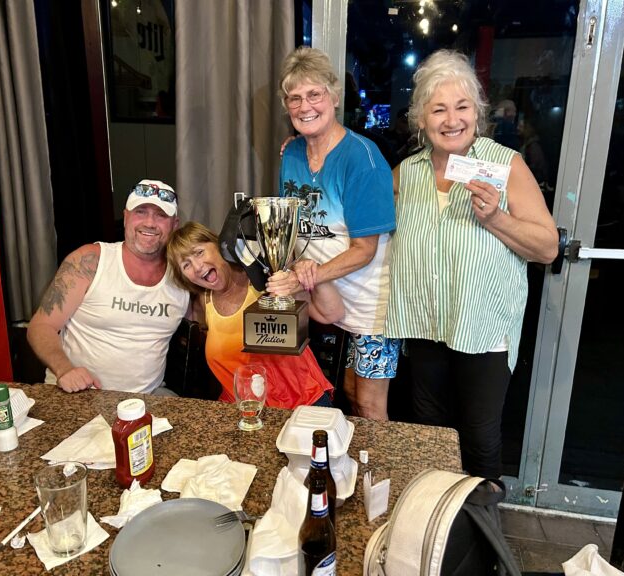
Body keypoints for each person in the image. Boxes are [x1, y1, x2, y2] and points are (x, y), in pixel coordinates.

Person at [385, 50, 558, 478]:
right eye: (438, 109)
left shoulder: (505, 165)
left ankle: (481, 520)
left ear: (476, 114)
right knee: (431, 438)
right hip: (425, 326)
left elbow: (547, 248)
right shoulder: (406, 172)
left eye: (461, 107)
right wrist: (310, 148)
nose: (452, 120)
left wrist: (496, 218)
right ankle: (436, 516)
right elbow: (363, 217)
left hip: (482, 329)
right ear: (421, 119)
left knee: (480, 442)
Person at [274, 46, 398, 421]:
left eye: (314, 94)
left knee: (369, 405)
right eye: (295, 98)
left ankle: (376, 461)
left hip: (371, 307)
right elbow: (291, 226)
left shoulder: (363, 158)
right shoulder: (291, 154)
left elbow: (364, 250)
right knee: (345, 393)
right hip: (326, 301)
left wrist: (307, 275)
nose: (305, 106)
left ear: (335, 97)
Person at [27, 180, 190, 395]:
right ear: (126, 217)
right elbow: (40, 326)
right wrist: (65, 370)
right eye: (140, 212)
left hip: (146, 399)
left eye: (161, 215)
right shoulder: (89, 260)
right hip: (76, 394)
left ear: (174, 224)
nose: (150, 223)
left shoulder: (185, 274)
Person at [166, 221, 343, 409]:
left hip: (302, 403)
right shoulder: (204, 301)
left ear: (218, 244)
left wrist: (312, 273)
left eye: (199, 252)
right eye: (186, 265)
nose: (197, 266)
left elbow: (331, 314)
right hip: (244, 410)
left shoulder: (266, 278)